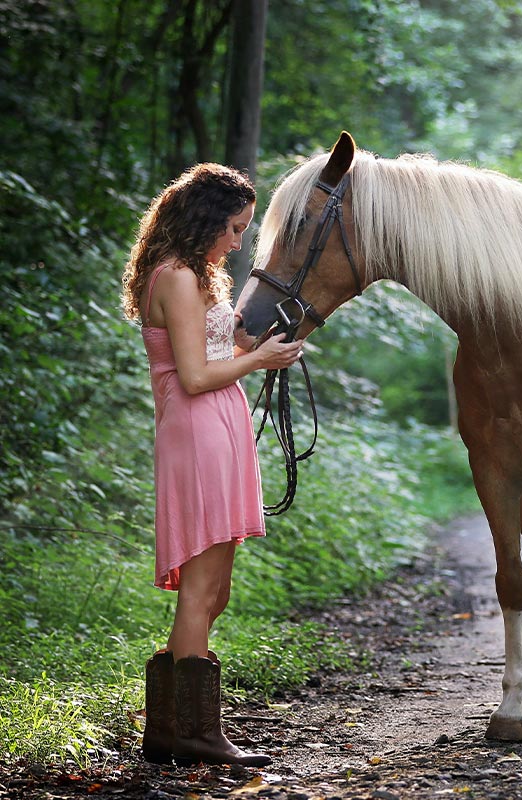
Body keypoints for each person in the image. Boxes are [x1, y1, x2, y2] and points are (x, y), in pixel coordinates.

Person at [121, 163, 303, 767]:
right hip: (197, 429)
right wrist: (256, 364)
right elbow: (195, 376)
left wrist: (262, 348)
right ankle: (193, 734)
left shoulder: (202, 276)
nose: (237, 241)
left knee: (215, 589)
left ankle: (172, 726)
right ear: (203, 221)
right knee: (200, 591)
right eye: (232, 228)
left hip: (218, 427)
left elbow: (216, 349)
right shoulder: (172, 277)